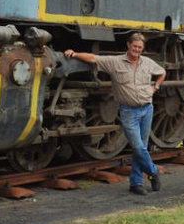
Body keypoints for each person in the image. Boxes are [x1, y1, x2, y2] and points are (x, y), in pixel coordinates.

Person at [64, 33, 165, 195]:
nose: (137, 50)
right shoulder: (115, 62)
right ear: (128, 45)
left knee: (142, 148)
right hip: (129, 111)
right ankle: (153, 172)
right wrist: (74, 54)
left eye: (140, 48)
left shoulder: (147, 62)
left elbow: (162, 73)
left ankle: (136, 183)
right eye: (135, 47)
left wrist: (155, 88)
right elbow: (93, 58)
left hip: (147, 109)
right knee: (138, 147)